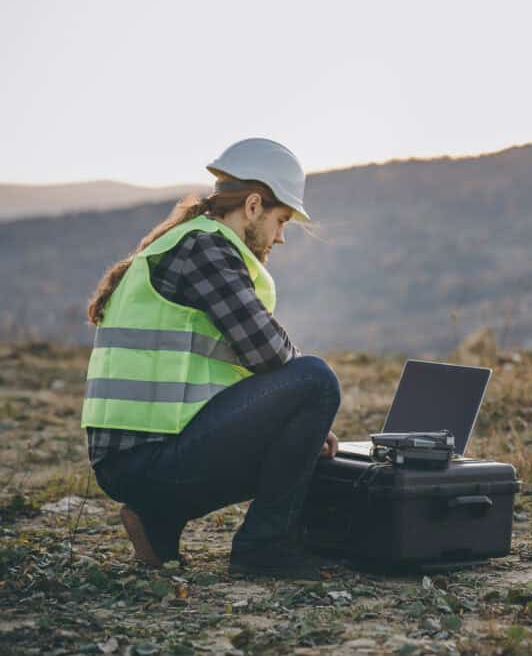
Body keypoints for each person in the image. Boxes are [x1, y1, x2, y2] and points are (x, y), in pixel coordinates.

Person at [81, 138, 341, 580]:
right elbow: (268, 351)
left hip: (137, 460)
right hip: (146, 461)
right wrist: (310, 407)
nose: (280, 236)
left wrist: (305, 426)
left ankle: (158, 519)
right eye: (281, 220)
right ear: (254, 206)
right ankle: (264, 547)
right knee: (315, 379)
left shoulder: (189, 244)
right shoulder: (205, 249)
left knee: (305, 410)